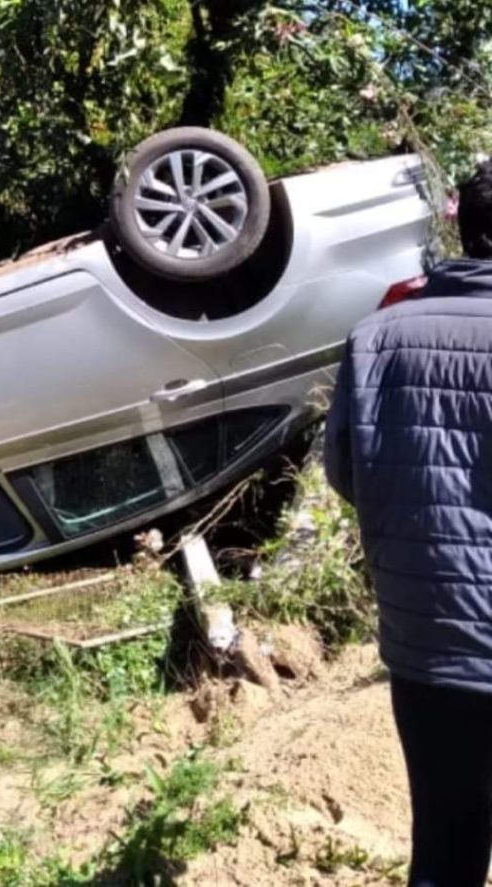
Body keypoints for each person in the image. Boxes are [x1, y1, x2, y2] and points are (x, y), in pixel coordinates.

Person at [325, 160, 492, 887]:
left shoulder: (378, 334)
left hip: (424, 636)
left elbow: (344, 472)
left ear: (462, 226)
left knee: (444, 843)